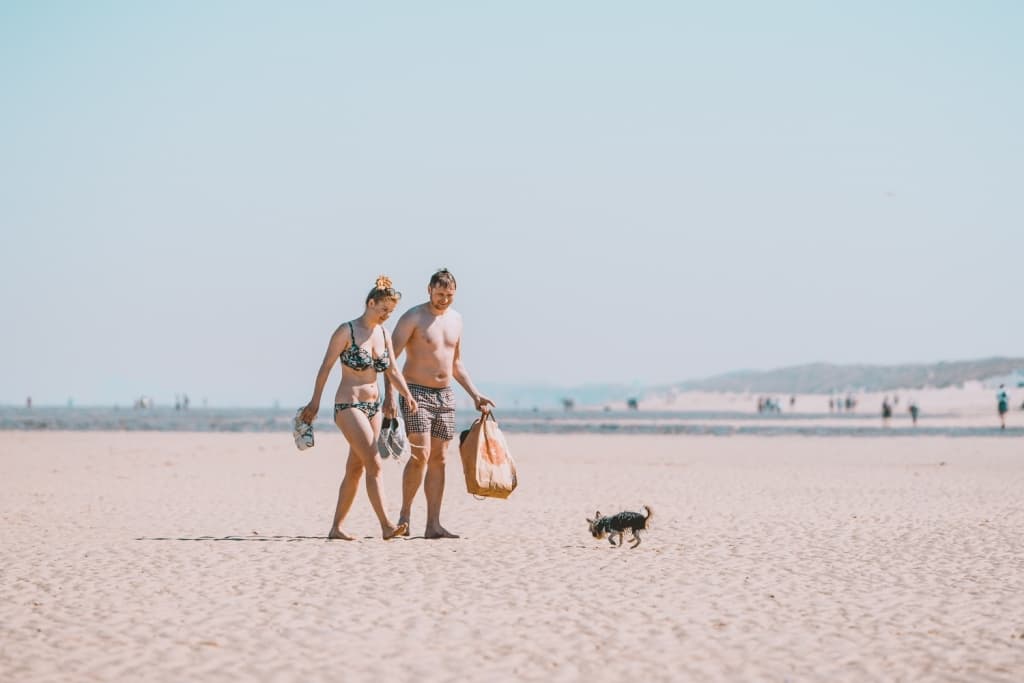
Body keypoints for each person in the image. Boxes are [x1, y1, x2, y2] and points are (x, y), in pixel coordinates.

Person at [300, 275, 420, 541]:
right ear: (370, 303)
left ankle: (337, 528)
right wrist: (315, 401)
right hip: (348, 404)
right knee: (374, 462)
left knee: (355, 468)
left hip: (373, 407)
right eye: (383, 309)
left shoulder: (384, 334)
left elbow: (392, 370)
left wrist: (407, 395)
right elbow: (326, 367)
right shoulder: (347, 331)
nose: (386, 316)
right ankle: (387, 525)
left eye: (390, 312)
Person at [383, 268, 495, 539]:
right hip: (415, 393)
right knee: (420, 455)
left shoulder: (456, 320)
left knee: (440, 459)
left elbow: (456, 364)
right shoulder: (413, 317)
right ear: (429, 290)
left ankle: (433, 524)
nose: (444, 299)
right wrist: (390, 396)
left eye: (449, 295)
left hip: (445, 395)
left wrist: (475, 395)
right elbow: (390, 359)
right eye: (440, 294)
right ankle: (404, 517)